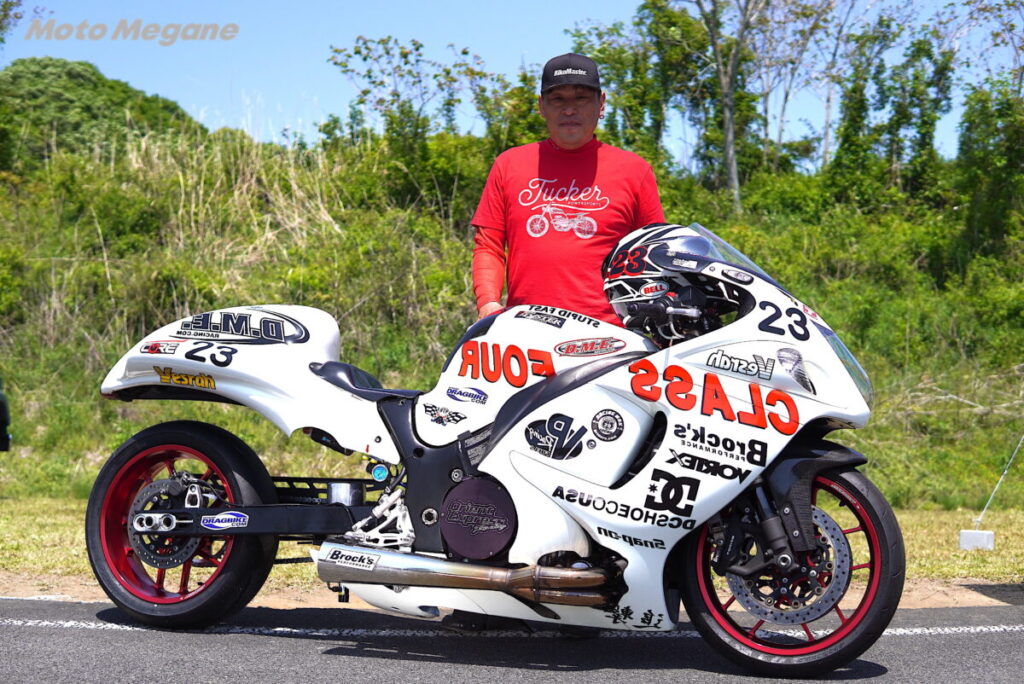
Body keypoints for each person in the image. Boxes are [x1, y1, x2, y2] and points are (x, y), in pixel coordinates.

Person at [471, 52, 666, 324]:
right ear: (541, 106)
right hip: (525, 329)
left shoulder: (635, 170)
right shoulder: (509, 164)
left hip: (610, 335)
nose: (569, 110)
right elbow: (489, 246)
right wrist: (488, 303)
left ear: (601, 104)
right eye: (558, 99)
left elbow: (655, 254)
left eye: (581, 98)